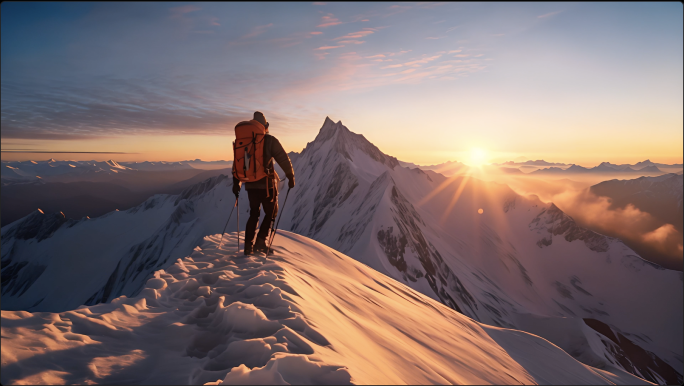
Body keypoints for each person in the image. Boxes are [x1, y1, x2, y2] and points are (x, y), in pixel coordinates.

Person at [232, 111, 295, 255]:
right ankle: (260, 242)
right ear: (265, 126)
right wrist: (290, 175)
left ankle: (248, 247)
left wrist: (237, 183)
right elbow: (283, 158)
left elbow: (239, 164)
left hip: (250, 185)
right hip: (267, 185)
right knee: (271, 212)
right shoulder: (269, 140)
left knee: (254, 213)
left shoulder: (245, 141)